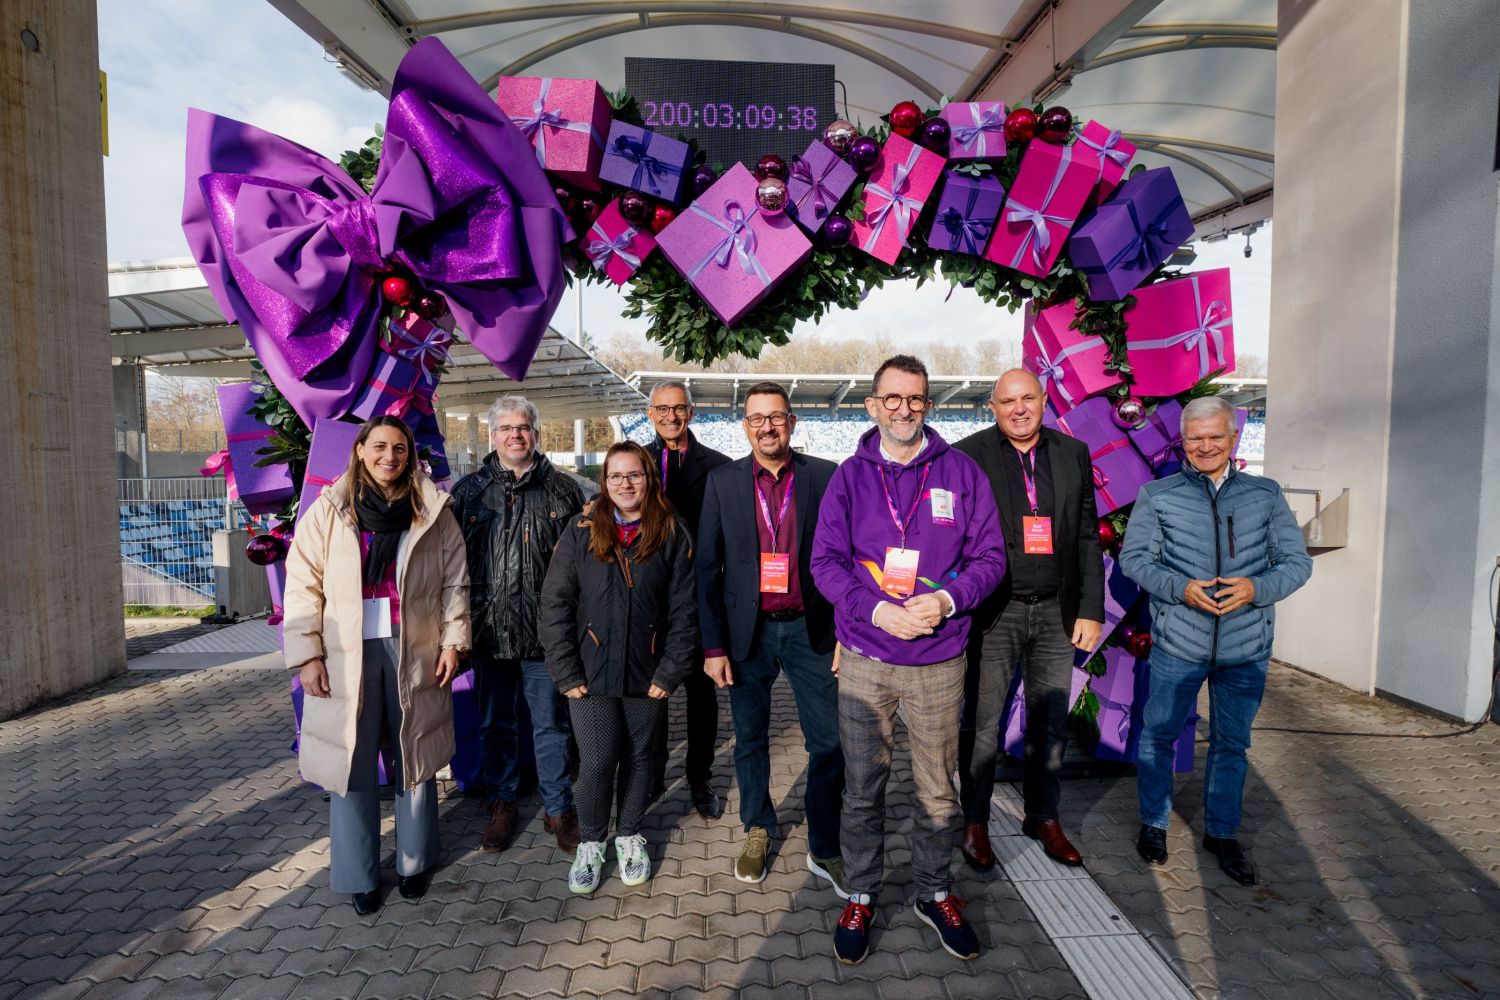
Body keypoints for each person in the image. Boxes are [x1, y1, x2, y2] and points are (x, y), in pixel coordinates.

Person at [810, 355, 1008, 965]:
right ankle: (863, 892)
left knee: (936, 791)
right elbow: (825, 564)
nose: (904, 408)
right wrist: (877, 613)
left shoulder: (962, 473)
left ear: (928, 404)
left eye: (915, 399)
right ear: (873, 405)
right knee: (863, 788)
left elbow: (991, 559)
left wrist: (945, 600)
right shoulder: (849, 477)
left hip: (939, 659)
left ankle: (934, 891)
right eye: (892, 398)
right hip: (868, 656)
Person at [1118, 395, 1312, 886]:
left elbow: (1296, 562)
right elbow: (1135, 560)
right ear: (1182, 441)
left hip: (1245, 649)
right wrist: (1180, 589)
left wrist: (1256, 589)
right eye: (1194, 437)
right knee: (1159, 735)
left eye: (1214, 436)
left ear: (1233, 438)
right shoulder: (1158, 496)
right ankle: (1154, 824)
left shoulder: (1265, 495)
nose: (1204, 446)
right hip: (1178, 644)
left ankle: (1222, 833)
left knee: (1231, 744)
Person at [283, 415, 470, 916]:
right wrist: (308, 655)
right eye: (380, 446)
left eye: (401, 449)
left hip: (415, 645)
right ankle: (359, 873)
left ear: (410, 456)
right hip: (346, 651)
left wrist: (454, 642)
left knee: (415, 752)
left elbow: (455, 581)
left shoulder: (431, 510)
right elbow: (302, 586)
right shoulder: (328, 512)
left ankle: (413, 861)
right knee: (352, 761)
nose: (390, 456)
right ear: (361, 450)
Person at [696, 381, 847, 894]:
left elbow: (845, 561)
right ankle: (757, 826)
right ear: (745, 425)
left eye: (776, 417)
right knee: (750, 739)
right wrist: (714, 647)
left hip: (812, 630)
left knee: (828, 741)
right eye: (757, 418)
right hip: (748, 634)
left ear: (792, 422)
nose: (767, 426)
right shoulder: (722, 483)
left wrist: (847, 631)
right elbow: (707, 570)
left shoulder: (824, 477)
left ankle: (825, 844)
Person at [953, 370, 1105, 870]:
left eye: (1028, 399)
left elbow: (1086, 536)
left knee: (1050, 723)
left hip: (1057, 612)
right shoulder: (968, 455)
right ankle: (974, 820)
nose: (1019, 409)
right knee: (982, 724)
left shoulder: (1072, 453)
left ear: (1044, 401)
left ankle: (1043, 815)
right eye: (1007, 401)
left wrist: (1090, 608)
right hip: (996, 613)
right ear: (992, 407)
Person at [539, 442, 699, 894]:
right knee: (596, 761)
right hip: (588, 677)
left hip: (648, 676)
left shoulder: (671, 531)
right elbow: (555, 603)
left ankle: (628, 833)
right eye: (615, 477)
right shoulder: (583, 529)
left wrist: (670, 672)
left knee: (641, 758)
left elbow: (685, 612)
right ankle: (591, 841)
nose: (625, 484)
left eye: (634, 475)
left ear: (649, 478)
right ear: (604, 483)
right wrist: (566, 672)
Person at [451, 396, 585, 854]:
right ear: (492, 436)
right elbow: (451, 567)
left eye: (523, 427)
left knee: (551, 725)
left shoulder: (565, 492)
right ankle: (502, 803)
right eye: (506, 427)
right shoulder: (467, 493)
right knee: (495, 725)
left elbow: (581, 569)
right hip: (489, 632)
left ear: (536, 433)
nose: (515, 435)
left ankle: (558, 807)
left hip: (546, 635)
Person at [642, 379, 731, 818]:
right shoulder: (633, 461)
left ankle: (699, 777)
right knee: (649, 694)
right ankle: (650, 775)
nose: (670, 417)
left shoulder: (717, 466)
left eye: (678, 409)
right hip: (646, 600)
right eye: (662, 410)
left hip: (694, 599)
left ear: (691, 413)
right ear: (650, 413)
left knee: (701, 696)